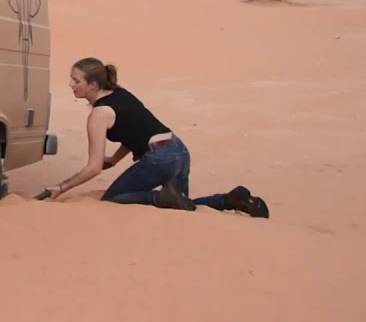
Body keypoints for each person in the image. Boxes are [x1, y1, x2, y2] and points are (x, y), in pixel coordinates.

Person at [41, 57, 269, 217]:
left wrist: (61, 188)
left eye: (76, 81)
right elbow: (133, 128)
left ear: (92, 85)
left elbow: (93, 168)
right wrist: (115, 159)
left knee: (114, 198)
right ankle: (228, 200)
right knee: (180, 205)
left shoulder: (99, 114)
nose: (71, 85)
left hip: (160, 159)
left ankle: (159, 198)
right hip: (179, 151)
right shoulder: (119, 94)